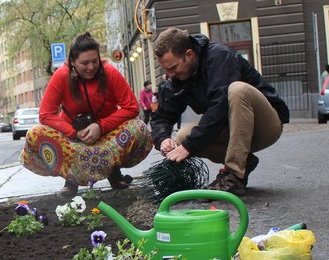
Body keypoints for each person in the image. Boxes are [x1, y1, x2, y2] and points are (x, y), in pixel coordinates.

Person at [151, 27, 289, 195]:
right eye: (165, 70)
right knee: (181, 138)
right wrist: (163, 138)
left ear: (189, 54)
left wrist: (190, 145)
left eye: (173, 68)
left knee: (237, 90)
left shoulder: (220, 56)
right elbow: (162, 116)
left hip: (265, 125)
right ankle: (246, 161)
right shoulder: (177, 78)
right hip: (231, 128)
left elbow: (220, 105)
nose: (170, 74)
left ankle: (234, 175)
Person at [20, 31, 152, 197]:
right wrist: (73, 132)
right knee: (35, 133)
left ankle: (113, 171)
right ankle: (71, 178)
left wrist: (101, 127)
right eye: (84, 63)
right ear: (73, 62)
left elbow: (132, 107)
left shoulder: (109, 72)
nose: (91, 67)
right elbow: (45, 114)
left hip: (107, 136)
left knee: (139, 127)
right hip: (73, 139)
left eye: (94, 61)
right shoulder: (61, 75)